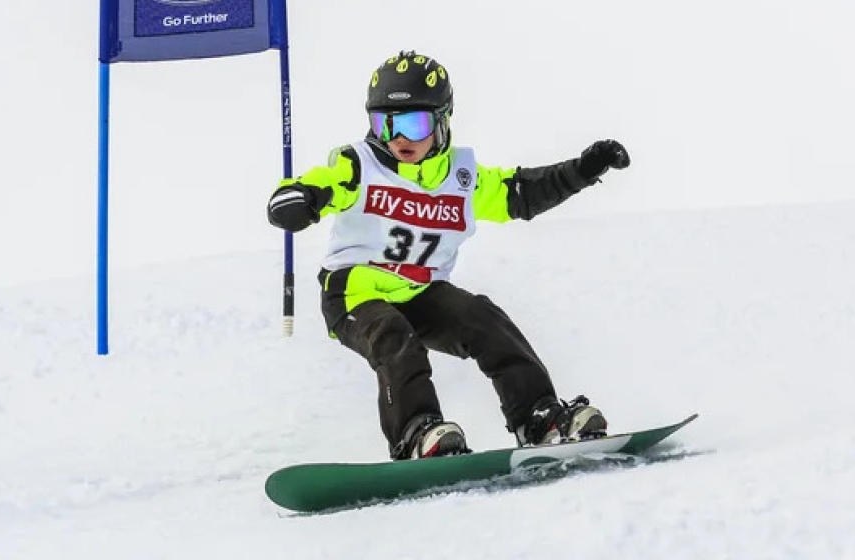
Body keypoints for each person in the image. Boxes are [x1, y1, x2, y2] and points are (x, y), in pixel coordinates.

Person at [267, 51, 630, 461]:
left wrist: (582, 170)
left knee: (482, 318)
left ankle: (540, 418)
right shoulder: (359, 165)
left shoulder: (461, 176)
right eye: (384, 124)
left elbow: (520, 194)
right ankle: (416, 433)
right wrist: (299, 199)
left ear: (442, 121)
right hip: (354, 293)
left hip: (420, 290)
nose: (397, 138)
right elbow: (321, 184)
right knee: (393, 336)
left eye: (413, 124)